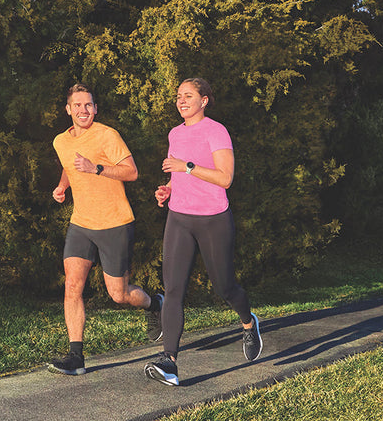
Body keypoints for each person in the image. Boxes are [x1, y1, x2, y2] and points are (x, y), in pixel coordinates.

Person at [144, 77, 262, 387]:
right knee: (173, 290)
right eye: (178, 96)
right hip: (179, 218)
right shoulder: (174, 133)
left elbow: (225, 178)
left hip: (213, 220)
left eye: (188, 95)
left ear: (204, 100)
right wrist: (167, 189)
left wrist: (187, 167)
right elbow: (178, 174)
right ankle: (169, 361)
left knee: (225, 287)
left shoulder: (216, 131)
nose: (181, 100)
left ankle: (249, 323)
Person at [49, 83, 164, 375]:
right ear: (68, 109)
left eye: (88, 105)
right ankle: (76, 358)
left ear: (95, 108)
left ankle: (155, 305)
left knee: (119, 294)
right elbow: (69, 165)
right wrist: (63, 186)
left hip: (114, 223)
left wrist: (96, 168)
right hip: (81, 223)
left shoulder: (107, 135)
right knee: (72, 287)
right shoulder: (60, 141)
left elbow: (132, 172)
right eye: (77, 105)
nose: (83, 110)